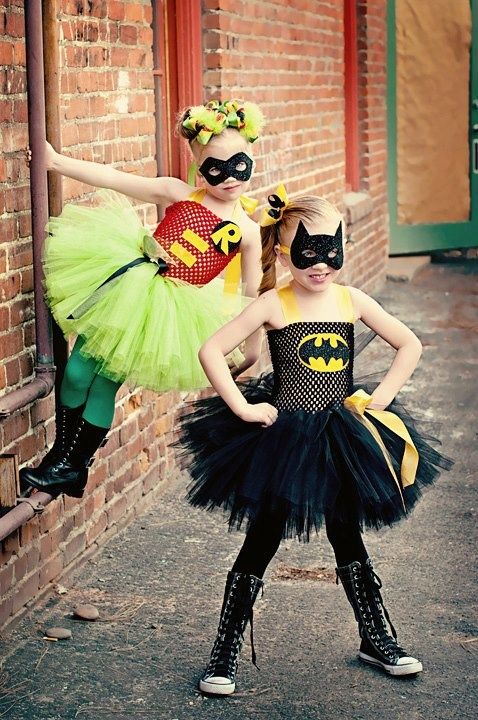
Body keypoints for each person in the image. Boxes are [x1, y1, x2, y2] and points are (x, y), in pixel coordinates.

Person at [176, 187, 452, 695]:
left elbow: (409, 343)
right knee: (263, 536)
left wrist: (382, 398)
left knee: (347, 533)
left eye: (331, 252)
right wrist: (242, 406)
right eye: (307, 254)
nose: (320, 265)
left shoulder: (352, 300)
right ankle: (224, 651)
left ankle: (376, 638)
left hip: (343, 436)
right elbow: (212, 349)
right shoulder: (274, 304)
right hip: (284, 439)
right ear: (284, 254)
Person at [20, 99, 265, 500]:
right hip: (129, 290)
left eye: (240, 165)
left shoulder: (249, 233)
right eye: (215, 168)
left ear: (252, 159)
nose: (229, 178)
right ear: (198, 166)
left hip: (164, 313)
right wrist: (56, 162)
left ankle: (70, 465)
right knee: (78, 373)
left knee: (103, 386)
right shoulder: (178, 193)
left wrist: (250, 352)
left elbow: (252, 297)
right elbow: (116, 179)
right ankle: (62, 462)